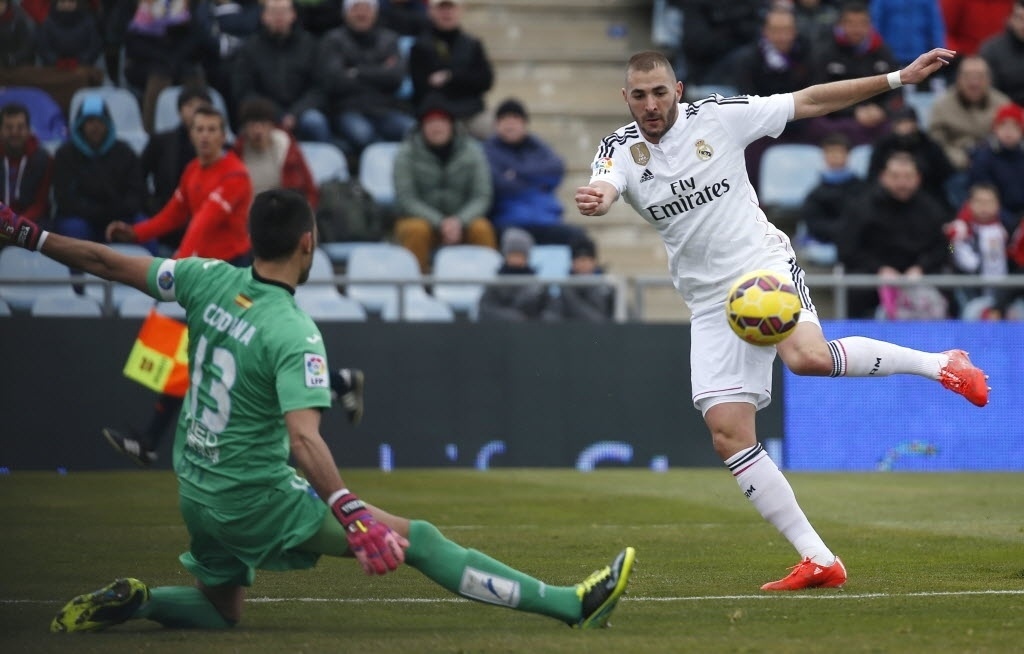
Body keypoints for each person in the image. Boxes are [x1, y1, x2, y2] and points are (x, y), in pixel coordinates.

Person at [0, 193, 634, 633]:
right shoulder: (294, 332)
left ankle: (138, 601)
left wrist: (29, 234)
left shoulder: (202, 278)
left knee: (223, 611)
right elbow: (304, 441)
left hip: (194, 486)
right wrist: (351, 512)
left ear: (255, 239)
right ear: (309, 243)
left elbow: (107, 262)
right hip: (256, 499)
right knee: (421, 539)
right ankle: (571, 605)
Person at [574, 48, 990, 591]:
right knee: (727, 434)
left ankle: (942, 364)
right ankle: (820, 560)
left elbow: (812, 99)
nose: (650, 105)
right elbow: (605, 182)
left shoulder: (719, 117)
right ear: (625, 98)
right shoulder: (620, 148)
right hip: (707, 301)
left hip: (760, 268)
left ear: (679, 89)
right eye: (638, 95)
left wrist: (897, 78)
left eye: (659, 92)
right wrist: (598, 199)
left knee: (809, 359)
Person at [102, 104, 254, 467]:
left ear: (223, 135)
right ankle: (152, 440)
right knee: (196, 358)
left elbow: (205, 220)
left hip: (233, 278)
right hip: (207, 277)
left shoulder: (235, 176)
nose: (204, 135)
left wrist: (176, 266)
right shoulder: (192, 172)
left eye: (212, 129)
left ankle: (153, 440)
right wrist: (135, 232)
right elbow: (175, 213)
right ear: (191, 134)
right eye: (199, 129)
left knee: (240, 359)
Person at [839, 151, 953, 318]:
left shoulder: (933, 209)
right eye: (895, 176)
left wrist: (922, 267)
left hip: (921, 276)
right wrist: (879, 269)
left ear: (918, 178)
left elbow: (948, 247)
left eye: (908, 176)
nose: (902, 183)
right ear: (883, 176)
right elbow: (846, 249)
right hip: (873, 278)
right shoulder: (861, 207)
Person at [393, 98, 496, 272]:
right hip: (422, 221)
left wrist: (459, 221)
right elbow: (406, 199)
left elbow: (482, 195)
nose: (436, 127)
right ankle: (415, 287)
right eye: (430, 122)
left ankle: (490, 287)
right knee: (415, 230)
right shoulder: (406, 154)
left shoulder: (472, 152)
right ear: (422, 127)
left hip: (462, 221)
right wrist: (440, 222)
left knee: (481, 229)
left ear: (452, 125)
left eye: (441, 121)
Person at [317, 0, 417, 158]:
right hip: (348, 109)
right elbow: (335, 81)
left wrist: (356, 71)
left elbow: (396, 78)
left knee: (413, 130)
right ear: (346, 13)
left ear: (375, 12)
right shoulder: (332, 40)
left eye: (366, 9)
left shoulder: (389, 39)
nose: (361, 14)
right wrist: (380, 70)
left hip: (386, 108)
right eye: (356, 9)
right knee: (362, 135)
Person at [482, 98, 586, 247]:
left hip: (546, 220)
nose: (510, 123)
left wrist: (515, 172)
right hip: (509, 221)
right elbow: (500, 184)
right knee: (514, 242)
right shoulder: (486, 151)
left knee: (580, 240)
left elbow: (556, 169)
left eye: (515, 118)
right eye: (504, 119)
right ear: (496, 125)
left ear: (524, 124)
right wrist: (536, 180)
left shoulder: (538, 146)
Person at [52, 94, 146, 244]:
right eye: (89, 121)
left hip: (119, 215)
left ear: (108, 124)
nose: (95, 126)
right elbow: (64, 199)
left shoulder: (125, 152)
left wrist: (115, 212)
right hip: (80, 218)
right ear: (80, 125)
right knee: (74, 229)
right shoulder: (65, 154)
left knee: (143, 227)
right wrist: (96, 212)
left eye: (99, 121)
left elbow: (136, 194)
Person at [231, 0, 328, 144]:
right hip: (263, 115)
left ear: (293, 15)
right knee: (248, 131)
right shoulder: (249, 48)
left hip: (301, 113)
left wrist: (294, 114)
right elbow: (244, 91)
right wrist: (277, 114)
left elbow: (320, 88)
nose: (278, 16)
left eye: (283, 11)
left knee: (315, 122)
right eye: (273, 12)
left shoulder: (310, 45)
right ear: (264, 16)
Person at [805, 1, 901, 146]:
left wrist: (882, 110)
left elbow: (897, 90)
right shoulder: (826, 52)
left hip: (877, 119)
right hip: (839, 119)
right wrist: (854, 112)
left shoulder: (883, 51)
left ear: (870, 25)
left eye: (862, 24)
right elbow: (818, 94)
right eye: (851, 23)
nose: (857, 29)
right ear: (841, 25)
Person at [927, 55, 1010, 207]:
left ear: (989, 79)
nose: (974, 82)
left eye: (980, 77)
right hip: (957, 168)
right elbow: (936, 142)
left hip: (994, 166)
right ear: (958, 79)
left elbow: (1011, 138)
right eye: (968, 76)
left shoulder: (1002, 104)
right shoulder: (942, 105)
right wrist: (960, 159)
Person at [140, 84, 212, 254]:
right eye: (190, 105)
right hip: (169, 226)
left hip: (207, 228)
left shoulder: (220, 148)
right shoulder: (160, 142)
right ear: (180, 111)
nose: (195, 110)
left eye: (201, 105)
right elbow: (138, 177)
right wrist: (153, 206)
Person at [409, 0, 494, 139]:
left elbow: (486, 80)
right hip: (435, 114)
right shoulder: (420, 46)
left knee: (499, 132)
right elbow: (422, 87)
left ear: (460, 11)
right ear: (431, 12)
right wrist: (466, 81)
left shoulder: (473, 44)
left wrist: (450, 77)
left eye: (451, 8)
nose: (446, 13)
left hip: (472, 113)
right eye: (441, 8)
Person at [233, 97, 318, 209]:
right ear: (244, 128)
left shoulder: (287, 147)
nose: (258, 131)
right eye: (252, 125)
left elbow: (309, 188)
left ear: (272, 126)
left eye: (263, 124)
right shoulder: (238, 154)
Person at [796, 132, 866, 266]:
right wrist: (840, 231)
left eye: (839, 152)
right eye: (830, 153)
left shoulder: (862, 189)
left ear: (848, 155)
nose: (835, 157)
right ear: (824, 156)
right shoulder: (815, 193)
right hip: (826, 240)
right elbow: (813, 224)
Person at [865, 106, 955, 208]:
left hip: (927, 196)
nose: (906, 127)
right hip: (887, 197)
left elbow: (946, 172)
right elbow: (873, 176)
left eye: (909, 123)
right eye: (901, 123)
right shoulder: (883, 145)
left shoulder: (928, 144)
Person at [945, 182, 1013, 317]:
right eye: (979, 202)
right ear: (969, 204)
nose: (984, 207)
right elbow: (950, 253)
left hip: (1004, 289)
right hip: (973, 289)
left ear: (998, 204)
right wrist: (953, 242)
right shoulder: (963, 229)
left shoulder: (1006, 229)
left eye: (989, 202)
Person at [478, 227, 551, 322]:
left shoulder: (539, 286)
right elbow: (486, 309)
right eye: (513, 255)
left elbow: (550, 311)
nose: (516, 259)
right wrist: (515, 318)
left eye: (520, 255)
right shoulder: (494, 284)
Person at [967, 101, 1024, 224]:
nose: (1008, 131)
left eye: (1015, 126)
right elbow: (982, 195)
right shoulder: (983, 157)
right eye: (1003, 125)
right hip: (994, 219)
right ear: (995, 129)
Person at [0, 103, 53, 225]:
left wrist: (16, 224)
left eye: (20, 127)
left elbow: (41, 204)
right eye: (9, 127)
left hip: (32, 222)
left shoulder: (44, 159)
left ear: (29, 129)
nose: (14, 132)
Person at [979, 0, 1024, 106]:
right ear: (1010, 19)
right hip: (1003, 113)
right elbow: (988, 93)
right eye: (1020, 18)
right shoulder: (991, 50)